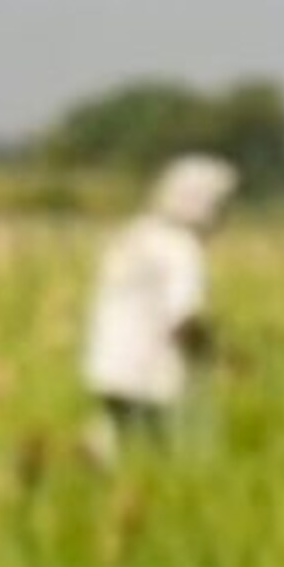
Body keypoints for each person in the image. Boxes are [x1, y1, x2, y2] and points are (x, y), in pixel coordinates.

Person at [80, 154, 239, 464]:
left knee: (115, 436)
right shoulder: (182, 249)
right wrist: (214, 356)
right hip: (148, 368)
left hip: (108, 364)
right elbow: (184, 320)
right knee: (153, 454)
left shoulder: (135, 234)